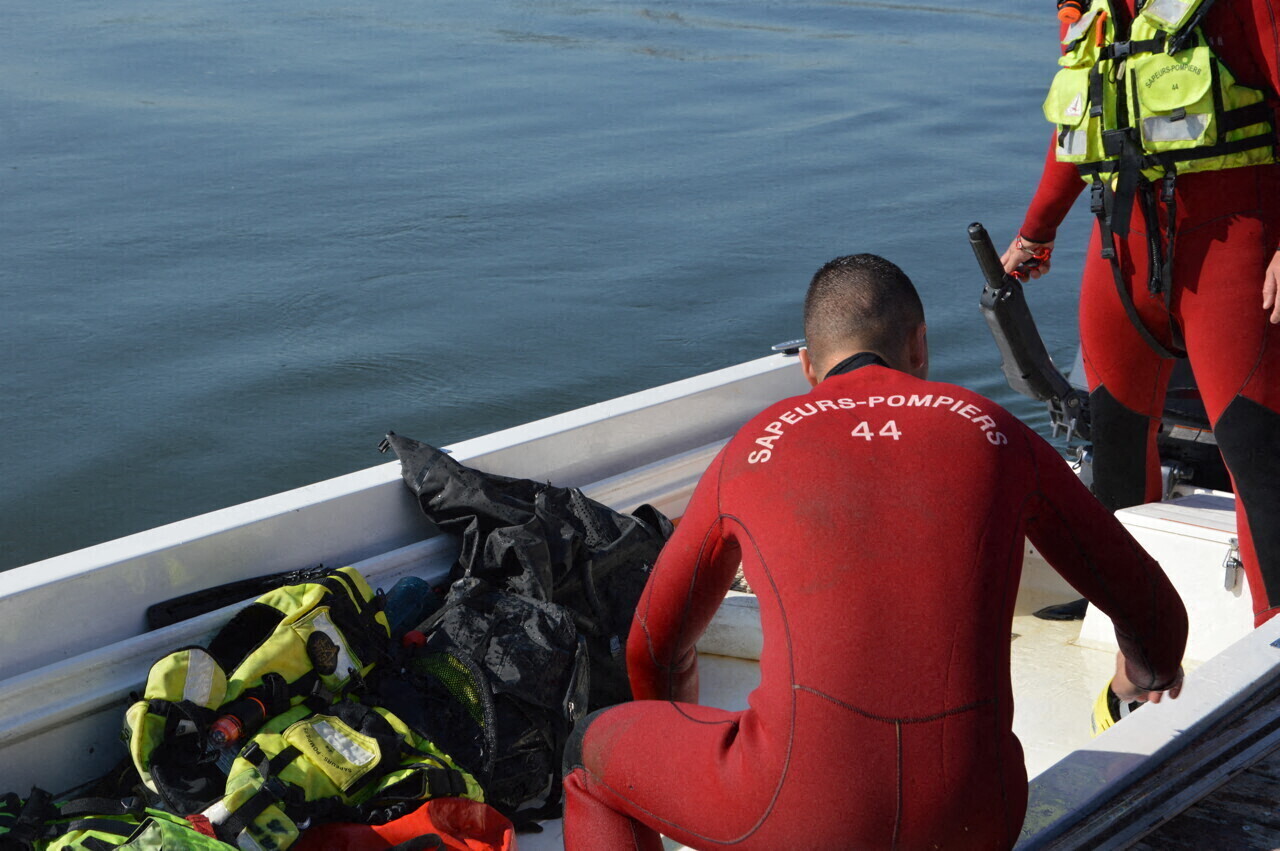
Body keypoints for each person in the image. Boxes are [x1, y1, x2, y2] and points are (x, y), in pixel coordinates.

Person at [561, 254, 1187, 850]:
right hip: (977, 821)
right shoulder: (994, 429)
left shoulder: (752, 448)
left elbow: (655, 645)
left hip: (794, 818)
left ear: (808, 367)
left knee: (587, 758)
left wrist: (682, 747)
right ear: (920, 346)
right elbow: (1156, 616)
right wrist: (1139, 675)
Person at [1001, 0, 1280, 625]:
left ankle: (1272, 647)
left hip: (1235, 248)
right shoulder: (1087, 9)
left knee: (1256, 451)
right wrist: (1037, 230)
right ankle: (1119, 611)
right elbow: (1081, 119)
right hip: (1120, 249)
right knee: (1112, 437)